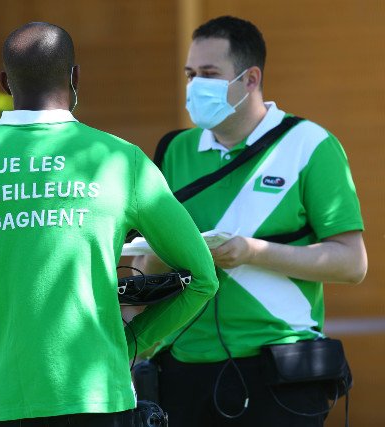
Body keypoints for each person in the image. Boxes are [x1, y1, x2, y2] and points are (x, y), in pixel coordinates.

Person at [0, 22, 218, 426]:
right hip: (100, 397)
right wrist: (130, 341)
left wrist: (22, 336)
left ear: (5, 82)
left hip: (5, 402)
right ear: (75, 77)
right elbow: (202, 278)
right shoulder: (122, 161)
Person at [134, 15, 368, 426]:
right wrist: (155, 257)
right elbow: (146, 265)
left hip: (280, 367)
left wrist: (252, 252)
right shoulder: (173, 150)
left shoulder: (310, 145)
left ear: (251, 79)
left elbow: (352, 263)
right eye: (190, 74)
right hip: (182, 366)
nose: (195, 85)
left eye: (209, 74)